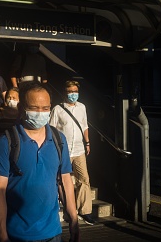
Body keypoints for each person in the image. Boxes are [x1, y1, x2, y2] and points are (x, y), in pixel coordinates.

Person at [0, 83, 79, 242]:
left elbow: (65, 180)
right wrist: (2, 235)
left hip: (52, 233)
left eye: (45, 108)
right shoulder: (7, 142)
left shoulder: (59, 140)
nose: (40, 113)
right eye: (34, 108)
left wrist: (74, 219)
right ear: (22, 108)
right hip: (17, 234)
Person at [49, 80, 95, 225]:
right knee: (63, 180)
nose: (73, 94)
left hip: (79, 149)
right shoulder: (58, 109)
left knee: (84, 179)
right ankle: (66, 209)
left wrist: (87, 142)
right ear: (65, 93)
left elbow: (85, 126)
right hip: (64, 150)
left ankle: (85, 210)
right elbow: (51, 129)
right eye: (70, 91)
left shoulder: (82, 107)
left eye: (75, 91)